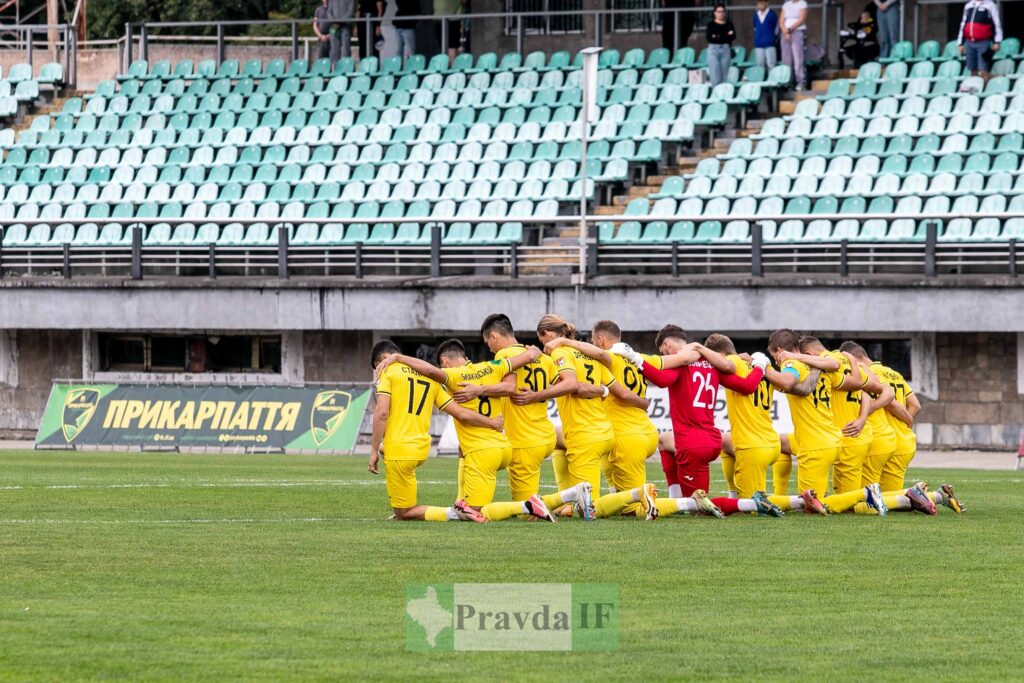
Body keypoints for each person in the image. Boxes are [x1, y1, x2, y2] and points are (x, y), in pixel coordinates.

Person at [373, 341, 561, 522]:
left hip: (482, 452)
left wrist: (398, 357)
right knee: (464, 481)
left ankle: (527, 506)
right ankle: (568, 494)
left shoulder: (453, 376)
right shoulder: (492, 366)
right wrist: (535, 352)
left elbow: (431, 372)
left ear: (445, 361)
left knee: (473, 513)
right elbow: (528, 357)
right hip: (503, 446)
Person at [611, 326, 785, 518]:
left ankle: (749, 503)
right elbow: (747, 386)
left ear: (668, 345)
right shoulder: (712, 363)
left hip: (692, 445)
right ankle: (675, 496)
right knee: (664, 441)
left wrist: (635, 358)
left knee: (698, 505)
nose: (665, 356)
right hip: (711, 440)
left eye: (663, 353)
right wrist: (760, 366)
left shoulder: (681, 364)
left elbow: (660, 379)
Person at [510, 314, 660, 520]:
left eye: (541, 339)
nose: (543, 345)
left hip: (586, 436)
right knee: (558, 442)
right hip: (605, 432)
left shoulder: (560, 352)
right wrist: (602, 391)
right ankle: (568, 503)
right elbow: (616, 390)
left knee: (589, 508)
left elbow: (571, 384)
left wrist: (535, 395)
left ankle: (644, 495)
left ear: (546, 334)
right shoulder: (589, 354)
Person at [368, 340, 503, 522]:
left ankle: (457, 513)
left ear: (385, 358)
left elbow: (382, 412)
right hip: (421, 448)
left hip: (400, 450)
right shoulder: (429, 377)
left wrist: (373, 451)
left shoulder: (388, 373)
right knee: (387, 450)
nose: (379, 371)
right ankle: (406, 501)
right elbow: (461, 413)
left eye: (378, 366)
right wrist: (492, 423)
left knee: (404, 514)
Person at [765, 329, 887, 515]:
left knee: (814, 506)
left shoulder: (791, 363)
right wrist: (853, 362)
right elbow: (857, 384)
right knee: (781, 443)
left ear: (779, 349)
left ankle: (866, 494)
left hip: (816, 444)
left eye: (774, 355)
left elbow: (788, 381)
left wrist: (763, 368)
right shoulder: (823, 367)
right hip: (832, 439)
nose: (776, 361)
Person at [958, 0, 1002, 82]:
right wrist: (960, 43)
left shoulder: (990, 5)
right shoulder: (969, 5)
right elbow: (963, 24)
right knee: (973, 70)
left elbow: (996, 24)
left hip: (983, 42)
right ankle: (975, 89)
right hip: (969, 42)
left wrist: (997, 41)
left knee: (983, 70)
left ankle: (985, 89)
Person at [780, 0, 808, 90]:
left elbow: (802, 19)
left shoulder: (802, 3)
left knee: (798, 58)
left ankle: (801, 82)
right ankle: (788, 82)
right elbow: (781, 20)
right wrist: (785, 31)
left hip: (797, 31)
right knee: (786, 59)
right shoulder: (786, 4)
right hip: (785, 33)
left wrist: (789, 29)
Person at [705, 4, 736, 86]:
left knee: (724, 74)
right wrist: (725, 35)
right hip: (713, 50)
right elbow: (709, 38)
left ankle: (723, 92)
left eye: (722, 11)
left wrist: (717, 36)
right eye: (718, 11)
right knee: (715, 73)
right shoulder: (711, 24)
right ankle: (716, 92)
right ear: (715, 13)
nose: (721, 13)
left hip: (726, 49)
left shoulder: (729, 24)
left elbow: (733, 36)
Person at [325, 0, 356, 66]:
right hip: (334, 27)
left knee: (346, 48)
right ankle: (334, 68)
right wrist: (334, 21)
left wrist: (340, 21)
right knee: (334, 49)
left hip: (345, 26)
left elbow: (351, 11)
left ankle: (346, 67)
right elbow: (329, 12)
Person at [434, 0, 463, 65]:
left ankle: (453, 68)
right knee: (443, 46)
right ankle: (447, 66)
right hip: (439, 19)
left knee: (452, 46)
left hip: (453, 19)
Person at [752, 0, 779, 69]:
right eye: (758, 3)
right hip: (759, 44)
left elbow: (776, 29)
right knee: (759, 65)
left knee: (771, 64)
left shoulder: (772, 15)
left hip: (769, 43)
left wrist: (772, 38)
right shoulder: (755, 16)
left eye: (762, 3)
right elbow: (755, 28)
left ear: (767, 3)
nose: (760, 5)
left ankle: (772, 79)